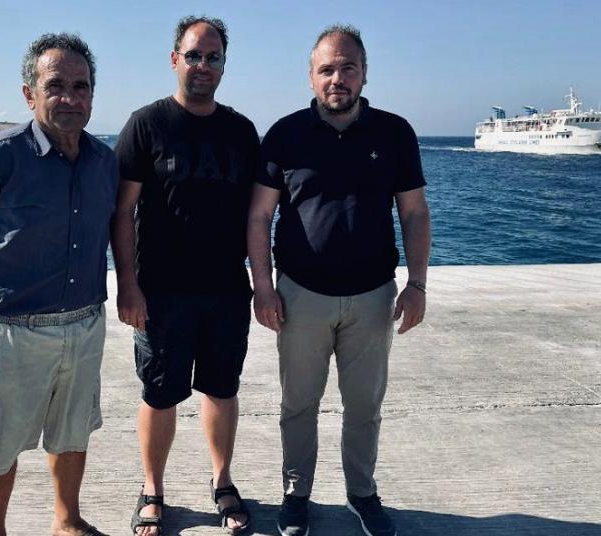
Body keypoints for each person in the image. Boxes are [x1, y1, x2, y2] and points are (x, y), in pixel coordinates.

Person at [247, 24, 431, 536]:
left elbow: (414, 212)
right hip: (300, 296)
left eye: (348, 68)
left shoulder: (394, 132)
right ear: (311, 77)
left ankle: (362, 493)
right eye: (327, 69)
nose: (337, 78)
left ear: (364, 74)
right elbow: (259, 216)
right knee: (298, 405)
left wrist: (417, 284)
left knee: (364, 406)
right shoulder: (285, 135)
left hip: (373, 297)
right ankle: (295, 494)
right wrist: (263, 287)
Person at [0, 33, 117, 536]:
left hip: (84, 323)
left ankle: (67, 520)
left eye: (81, 86)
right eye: (55, 85)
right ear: (29, 93)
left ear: (92, 95)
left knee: (73, 431)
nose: (70, 97)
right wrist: (2, 278)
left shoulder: (104, 162)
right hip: (14, 330)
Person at [111, 15, 260, 536]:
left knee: (222, 388)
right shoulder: (146, 124)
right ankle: (152, 489)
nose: (203, 65)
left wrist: (263, 285)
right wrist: (127, 285)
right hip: (160, 291)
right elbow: (121, 212)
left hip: (226, 289)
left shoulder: (241, 131)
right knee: (160, 393)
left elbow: (258, 215)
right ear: (175, 59)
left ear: (223, 65)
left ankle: (222, 481)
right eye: (193, 55)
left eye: (212, 57)